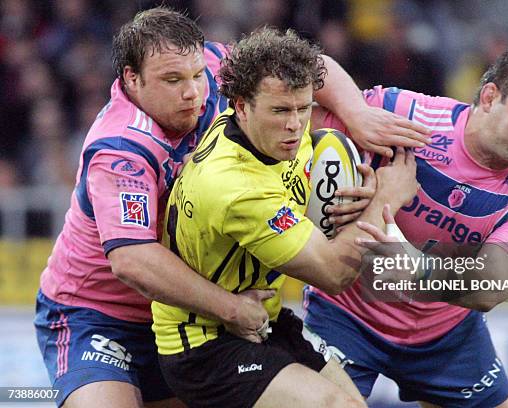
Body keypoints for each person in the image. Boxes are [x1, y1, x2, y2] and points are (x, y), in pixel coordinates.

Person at [33, 7, 431, 408]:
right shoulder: (123, 151)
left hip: (191, 314)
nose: (192, 91)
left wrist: (356, 113)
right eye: (172, 81)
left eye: (193, 75)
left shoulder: (209, 65)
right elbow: (133, 261)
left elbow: (303, 67)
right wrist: (231, 308)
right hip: (101, 314)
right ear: (131, 79)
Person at [151, 27, 420, 408]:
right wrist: (386, 201)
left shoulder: (255, 125)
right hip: (205, 345)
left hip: (263, 319)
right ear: (241, 106)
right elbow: (333, 274)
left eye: (303, 109)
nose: (295, 125)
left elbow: (318, 80)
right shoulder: (237, 187)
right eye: (280, 111)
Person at [303, 45, 508, 408]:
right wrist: (354, 114)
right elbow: (301, 83)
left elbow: (489, 288)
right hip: (346, 315)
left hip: (445, 337)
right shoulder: (405, 115)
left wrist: (412, 266)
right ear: (490, 96)